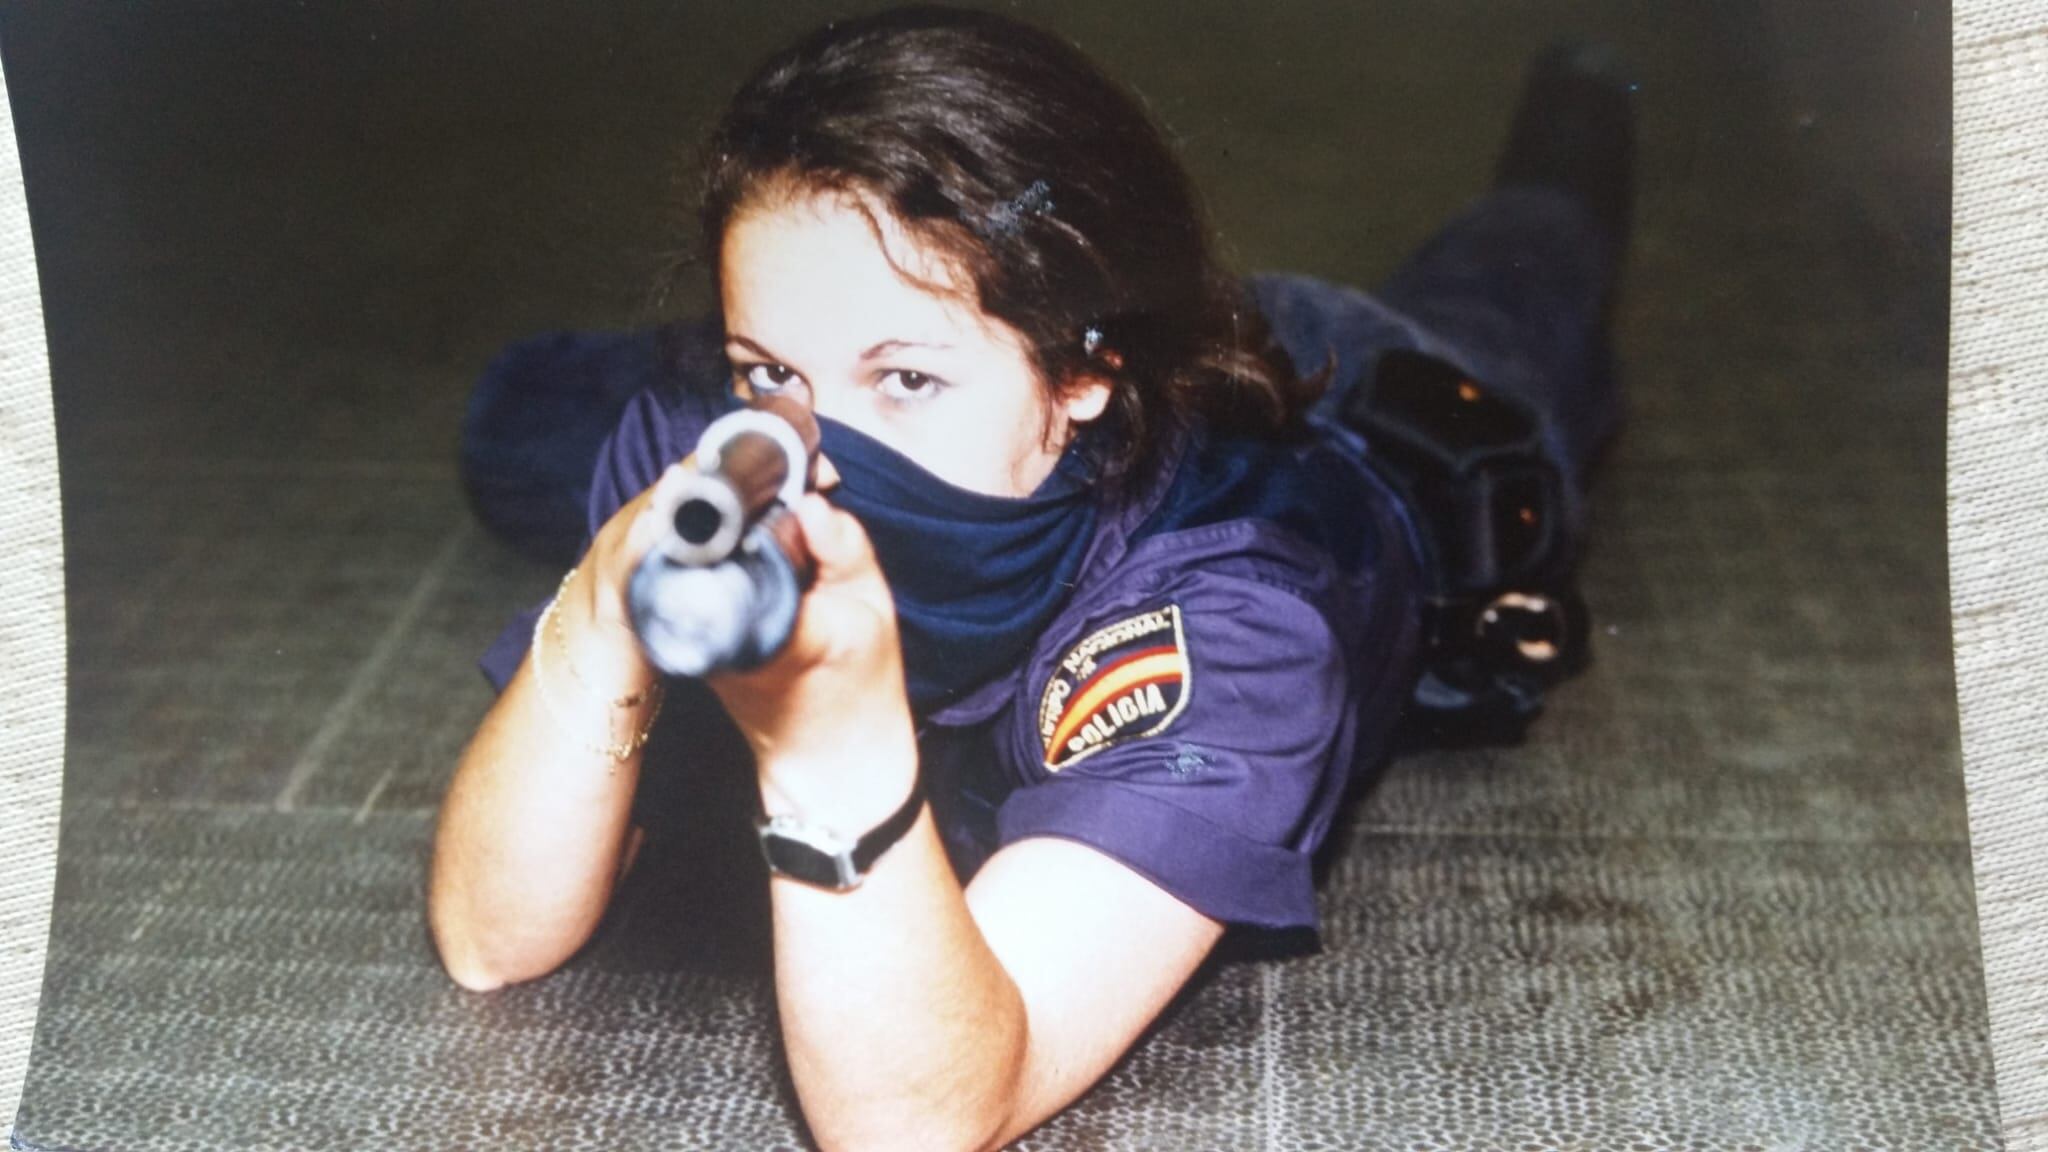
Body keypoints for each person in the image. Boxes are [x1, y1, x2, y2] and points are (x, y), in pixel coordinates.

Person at [429, 7, 1633, 1149]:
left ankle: (1587, 96)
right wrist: (600, 616)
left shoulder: (1228, 613)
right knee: (509, 423)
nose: (818, 452)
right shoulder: (734, 449)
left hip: (1392, 420)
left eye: (902, 384)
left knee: (1524, 254)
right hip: (1041, 311)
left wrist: (821, 748)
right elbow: (488, 941)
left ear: (1079, 377)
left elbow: (926, 1114)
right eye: (768, 374)